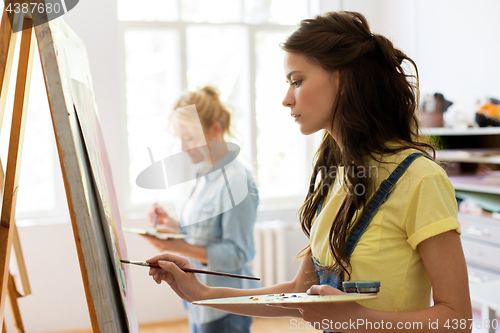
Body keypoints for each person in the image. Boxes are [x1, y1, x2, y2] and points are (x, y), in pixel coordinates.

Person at [146, 11, 472, 333]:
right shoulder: (334, 179)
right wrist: (200, 293)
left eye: (297, 81)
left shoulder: (420, 180)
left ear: (342, 79)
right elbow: (298, 293)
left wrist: (360, 318)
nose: (287, 99)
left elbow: (458, 319)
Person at [143, 86, 260, 333]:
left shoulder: (238, 181)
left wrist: (174, 247)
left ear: (215, 130)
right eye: (180, 139)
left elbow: (237, 253)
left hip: (226, 306)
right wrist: (174, 227)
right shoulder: (205, 174)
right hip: (200, 303)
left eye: (190, 138)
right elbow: (204, 231)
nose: (184, 147)